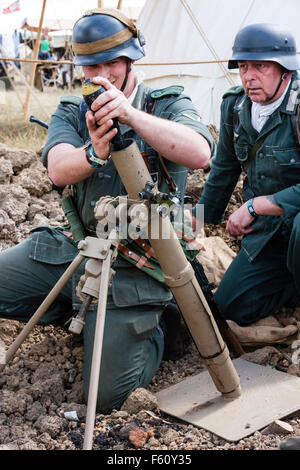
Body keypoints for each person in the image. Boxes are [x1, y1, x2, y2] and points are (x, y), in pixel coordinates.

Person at [0, 9, 215, 413]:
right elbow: (59, 167)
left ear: (131, 59)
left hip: (138, 264)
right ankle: (71, 309)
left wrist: (129, 114)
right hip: (77, 248)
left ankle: (158, 327)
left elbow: (199, 152)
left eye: (112, 62)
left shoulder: (166, 103)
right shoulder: (73, 109)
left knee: (107, 397)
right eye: (92, 65)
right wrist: (96, 152)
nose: (102, 73)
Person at [193, 23, 300, 327]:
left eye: (260, 67)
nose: (249, 77)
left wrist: (256, 206)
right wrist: (198, 219)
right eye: (243, 67)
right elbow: (224, 168)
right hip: (270, 233)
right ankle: (291, 288)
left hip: (295, 224)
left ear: (286, 71)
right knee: (231, 305)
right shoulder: (235, 106)